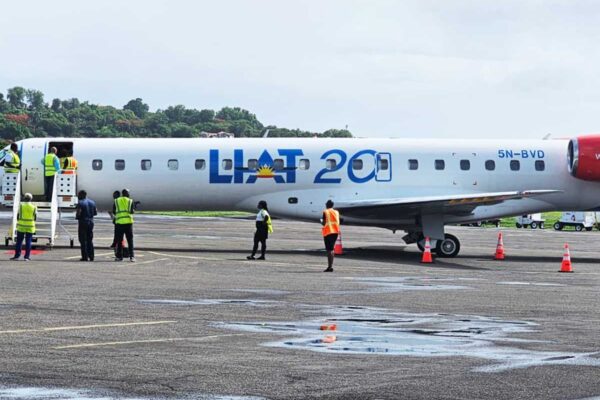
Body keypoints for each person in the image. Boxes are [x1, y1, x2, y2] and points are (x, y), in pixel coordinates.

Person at [10, 193, 37, 261]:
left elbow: (18, 216)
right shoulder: (34, 207)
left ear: (24, 198)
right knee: (28, 241)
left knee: (19, 241)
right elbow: (35, 217)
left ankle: (17, 256)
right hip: (30, 226)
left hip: (21, 225)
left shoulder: (21, 206)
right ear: (31, 199)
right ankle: (26, 257)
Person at [113, 188, 135, 262]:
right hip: (128, 223)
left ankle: (119, 257)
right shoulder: (130, 201)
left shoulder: (116, 201)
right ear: (127, 194)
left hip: (119, 223)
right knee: (130, 241)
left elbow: (114, 211)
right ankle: (132, 256)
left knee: (120, 241)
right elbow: (132, 212)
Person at [75, 190, 97, 261]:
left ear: (82, 195)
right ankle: (91, 256)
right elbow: (95, 213)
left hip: (83, 222)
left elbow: (78, 214)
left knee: (83, 240)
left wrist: (77, 217)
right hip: (91, 222)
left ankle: (85, 256)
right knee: (90, 239)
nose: (78, 197)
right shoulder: (92, 202)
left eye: (78, 195)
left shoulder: (80, 203)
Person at [321, 200, 340, 272]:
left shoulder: (326, 212)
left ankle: (330, 267)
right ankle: (330, 266)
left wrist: (321, 221)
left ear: (327, 205)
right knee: (331, 249)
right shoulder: (336, 212)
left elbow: (323, 223)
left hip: (328, 232)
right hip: (335, 232)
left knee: (329, 250)